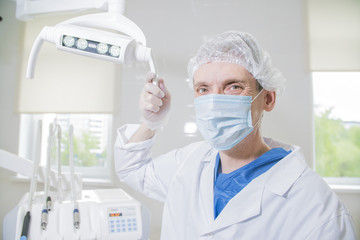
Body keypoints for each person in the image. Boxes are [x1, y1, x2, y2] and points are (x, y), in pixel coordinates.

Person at [114, 31, 357, 239]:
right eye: (203, 89)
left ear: (268, 99)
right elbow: (131, 169)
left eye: (233, 86)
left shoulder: (317, 206)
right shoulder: (188, 163)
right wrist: (150, 122)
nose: (214, 101)